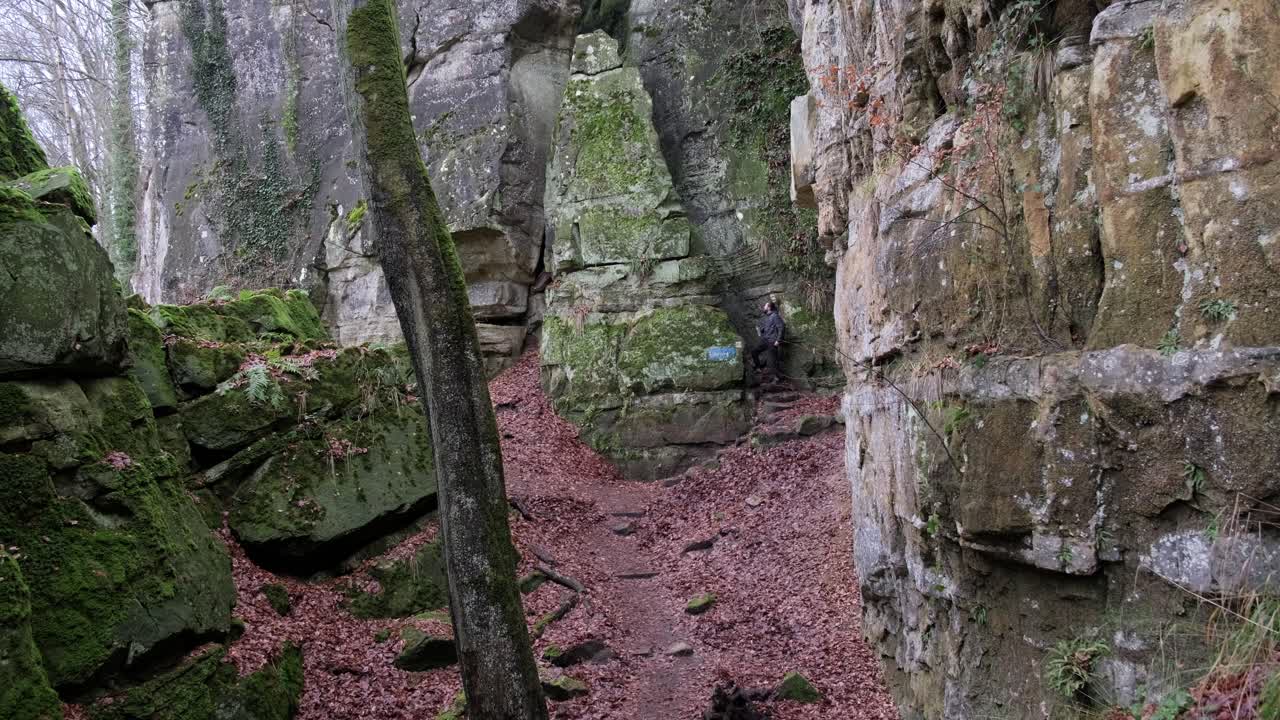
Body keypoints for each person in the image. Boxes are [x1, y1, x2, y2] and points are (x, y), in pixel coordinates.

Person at [751, 301, 785, 380]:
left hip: (772, 341)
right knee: (754, 352)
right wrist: (759, 330)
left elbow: (781, 327)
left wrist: (778, 340)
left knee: (773, 361)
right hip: (765, 340)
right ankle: (758, 368)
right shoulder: (768, 317)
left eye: (765, 306)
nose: (763, 307)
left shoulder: (775, 316)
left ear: (769, 308)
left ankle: (777, 378)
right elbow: (767, 329)